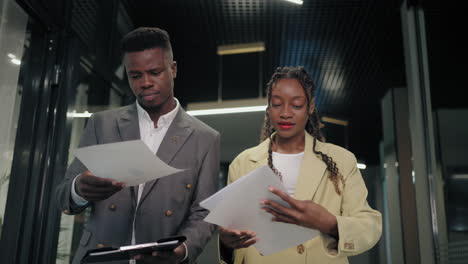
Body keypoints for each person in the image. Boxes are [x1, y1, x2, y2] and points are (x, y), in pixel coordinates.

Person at [55, 27, 220, 264]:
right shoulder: (102, 124)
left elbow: (204, 212)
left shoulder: (205, 138)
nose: (145, 83)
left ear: (173, 69)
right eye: (135, 76)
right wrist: (79, 189)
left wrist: (183, 250)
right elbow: (63, 196)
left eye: (155, 72)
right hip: (100, 258)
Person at [218, 66, 382, 264]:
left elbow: (369, 226)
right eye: (277, 104)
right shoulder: (243, 163)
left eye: (296, 105)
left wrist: (330, 223)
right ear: (268, 107)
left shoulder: (341, 160)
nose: (285, 113)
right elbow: (233, 231)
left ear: (311, 106)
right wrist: (227, 242)